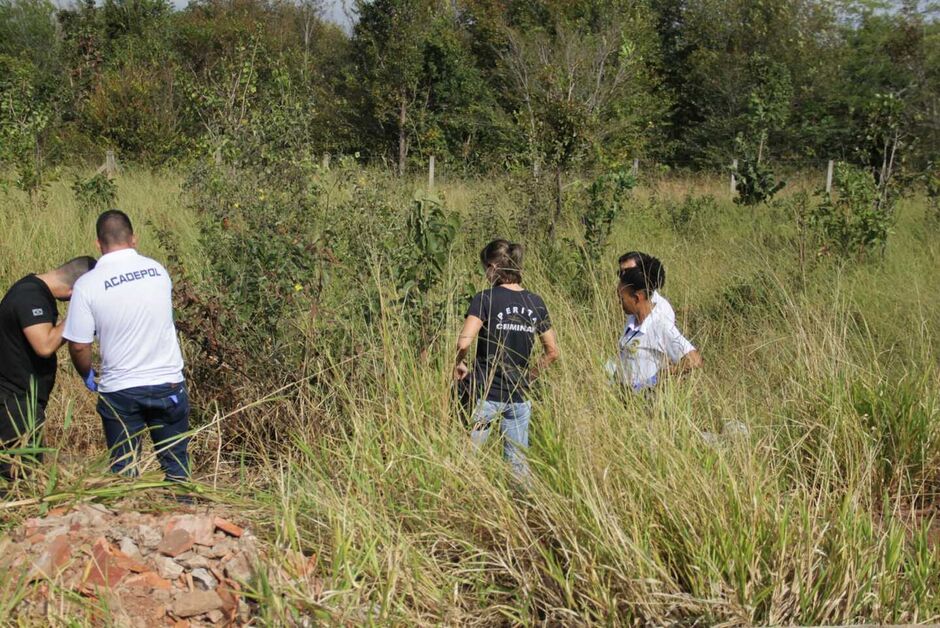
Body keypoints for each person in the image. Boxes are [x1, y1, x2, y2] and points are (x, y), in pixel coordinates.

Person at [64, 210, 190, 483]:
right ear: (134, 239)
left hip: (120, 391)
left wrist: (86, 373)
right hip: (168, 383)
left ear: (98, 244)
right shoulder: (157, 270)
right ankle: (184, 513)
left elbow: (78, 346)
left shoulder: (87, 285)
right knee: (177, 467)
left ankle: (127, 520)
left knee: (124, 475)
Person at [454, 239, 559, 480]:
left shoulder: (485, 298)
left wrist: (459, 362)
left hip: (485, 394)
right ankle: (525, 510)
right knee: (518, 466)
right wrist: (528, 378)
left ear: (493, 267)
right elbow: (552, 351)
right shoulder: (535, 302)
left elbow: (463, 342)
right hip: (518, 397)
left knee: (466, 464)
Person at [0, 257, 97, 485]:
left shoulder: (33, 291)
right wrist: (79, 310)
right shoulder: (29, 297)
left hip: (22, 400)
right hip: (15, 403)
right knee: (18, 480)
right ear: (76, 290)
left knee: (20, 475)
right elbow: (44, 345)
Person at [614, 266, 702, 391]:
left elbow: (694, 360)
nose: (619, 303)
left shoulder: (660, 325)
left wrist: (661, 376)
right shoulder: (632, 321)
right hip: (624, 394)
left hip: (646, 400)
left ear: (637, 298)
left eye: (622, 298)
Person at [618, 251, 675, 324]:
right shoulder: (632, 304)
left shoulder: (662, 310)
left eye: (628, 271)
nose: (624, 277)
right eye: (620, 273)